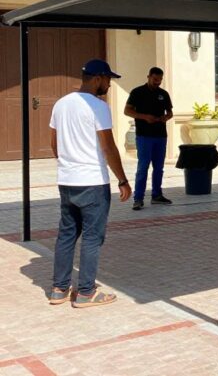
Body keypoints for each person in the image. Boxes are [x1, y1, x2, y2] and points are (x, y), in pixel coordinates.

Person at [49, 59, 132, 308]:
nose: (109, 84)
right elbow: (108, 147)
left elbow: (55, 144)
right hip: (93, 183)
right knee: (93, 237)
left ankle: (59, 289)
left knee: (66, 234)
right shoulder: (98, 106)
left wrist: (69, 166)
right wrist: (123, 180)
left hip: (67, 181)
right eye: (108, 80)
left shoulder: (60, 104)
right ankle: (86, 292)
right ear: (97, 78)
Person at [124, 66, 174, 210]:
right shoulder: (137, 92)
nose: (157, 83)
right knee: (143, 167)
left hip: (160, 136)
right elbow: (127, 111)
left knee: (159, 167)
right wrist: (145, 117)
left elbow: (170, 112)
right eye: (155, 80)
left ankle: (157, 195)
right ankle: (138, 198)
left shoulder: (163, 94)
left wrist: (166, 117)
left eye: (159, 81)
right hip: (144, 136)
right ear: (148, 77)